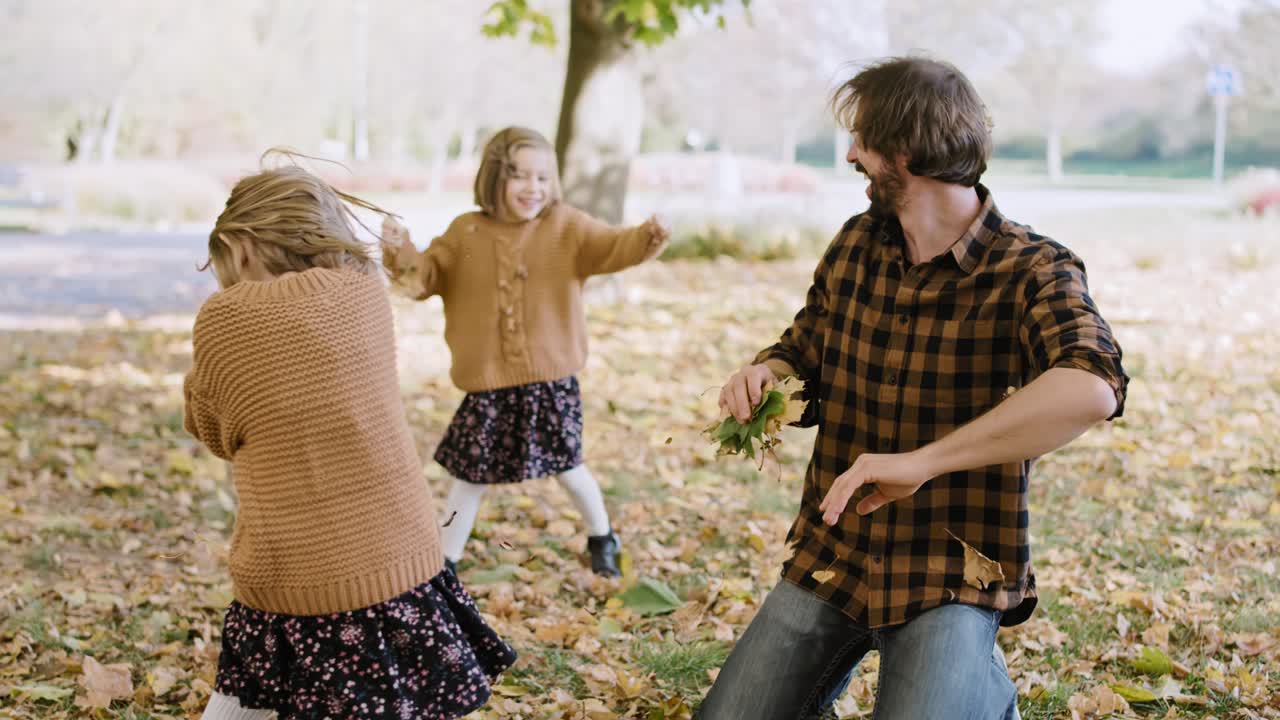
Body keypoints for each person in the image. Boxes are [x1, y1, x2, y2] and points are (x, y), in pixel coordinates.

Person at [697, 57, 1128, 719]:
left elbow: (1092, 386)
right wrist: (765, 376)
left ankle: (977, 694)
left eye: (862, 140)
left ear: (904, 151)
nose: (851, 154)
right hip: (833, 551)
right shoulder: (857, 245)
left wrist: (922, 464)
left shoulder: (1033, 268)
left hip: (950, 570)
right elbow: (803, 350)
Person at [186, 154, 516, 720]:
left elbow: (215, 430)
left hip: (301, 572)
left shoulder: (225, 317)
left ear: (240, 247)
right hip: (404, 559)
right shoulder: (364, 291)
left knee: (242, 704)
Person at [380, 126, 670, 577]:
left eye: (541, 177)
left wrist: (646, 236)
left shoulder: (566, 227)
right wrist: (399, 248)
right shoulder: (465, 233)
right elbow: (422, 278)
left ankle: (602, 537)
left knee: (570, 469)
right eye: (519, 176)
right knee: (469, 478)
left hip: (549, 382)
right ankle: (445, 563)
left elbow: (613, 246)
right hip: (489, 384)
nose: (532, 188)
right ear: (494, 178)